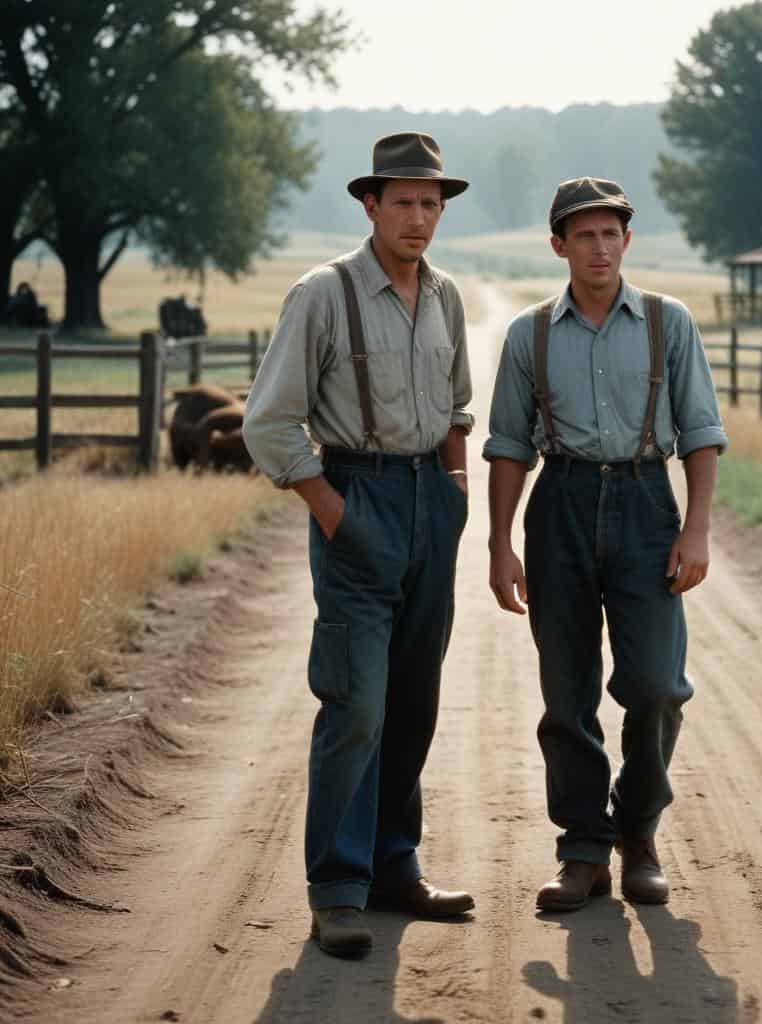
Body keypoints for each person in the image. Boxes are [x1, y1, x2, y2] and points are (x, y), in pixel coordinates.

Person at [243, 132, 475, 959]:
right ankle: (337, 889)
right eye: (404, 202)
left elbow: (456, 408)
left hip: (428, 502)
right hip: (357, 496)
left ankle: (394, 867)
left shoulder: (444, 296)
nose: (419, 217)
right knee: (358, 703)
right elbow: (267, 421)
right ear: (369, 205)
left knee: (415, 701)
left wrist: (454, 492)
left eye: (432, 204)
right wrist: (334, 512)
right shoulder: (323, 294)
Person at [484, 178, 728, 912]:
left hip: (646, 501)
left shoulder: (667, 322)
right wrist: (500, 544)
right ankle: (583, 850)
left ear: (628, 241)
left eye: (611, 234)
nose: (599, 247)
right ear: (559, 245)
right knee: (568, 694)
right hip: (558, 501)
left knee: (656, 685)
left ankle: (640, 833)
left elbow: (702, 431)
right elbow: (505, 446)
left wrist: (696, 527)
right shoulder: (529, 333)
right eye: (583, 235)